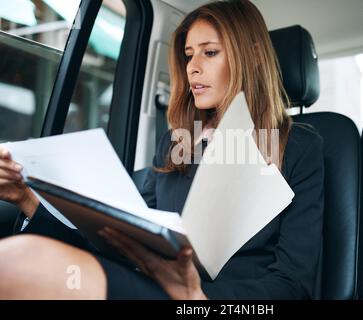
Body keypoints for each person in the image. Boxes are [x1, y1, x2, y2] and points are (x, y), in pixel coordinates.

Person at [0, 0, 324, 299]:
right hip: (150, 285)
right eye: (188, 54)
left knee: (20, 261)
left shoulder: (297, 147)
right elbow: (122, 245)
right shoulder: (175, 143)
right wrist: (27, 198)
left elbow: (295, 282)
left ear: (253, 55)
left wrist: (199, 298)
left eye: (209, 53)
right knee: (18, 260)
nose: (192, 67)